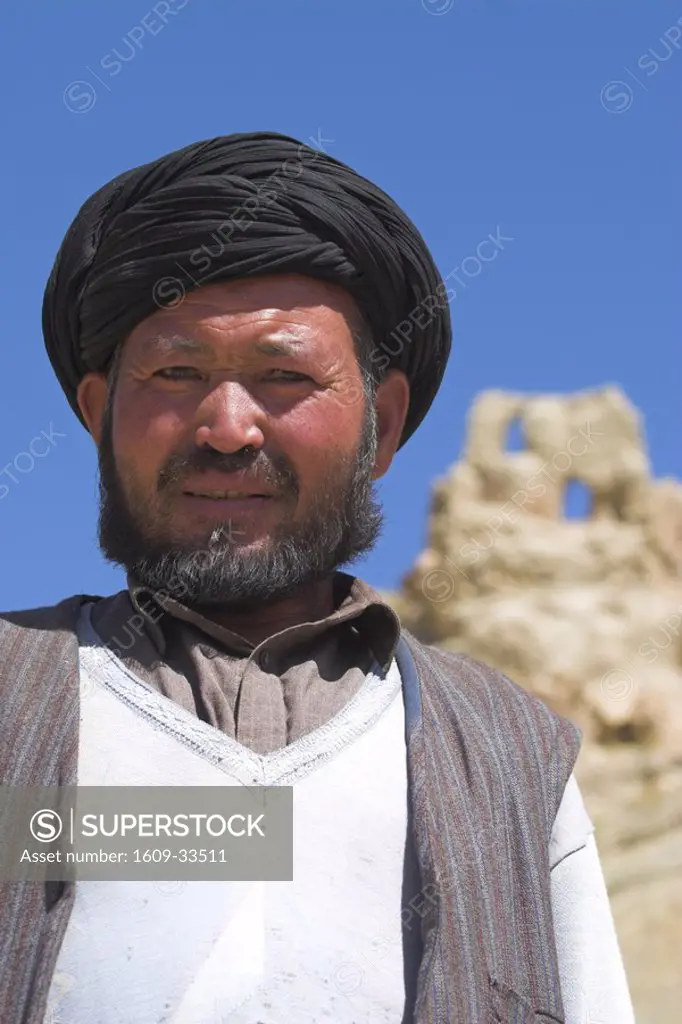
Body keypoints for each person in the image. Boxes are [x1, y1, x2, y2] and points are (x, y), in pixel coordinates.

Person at [0, 132, 635, 1024]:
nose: (227, 427)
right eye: (176, 372)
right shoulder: (11, 695)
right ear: (100, 415)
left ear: (382, 427)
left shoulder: (514, 759)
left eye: (284, 376)